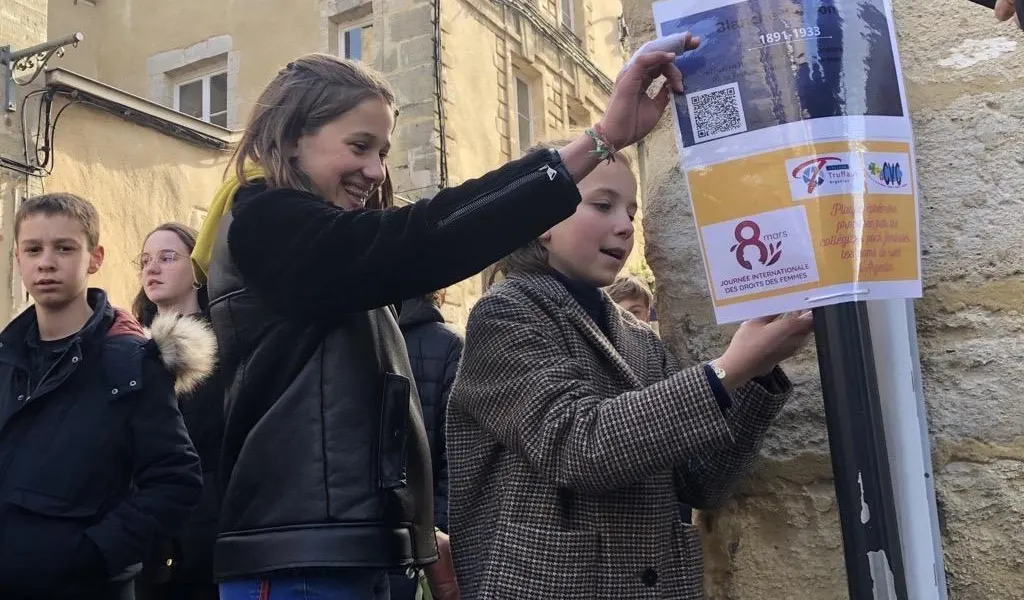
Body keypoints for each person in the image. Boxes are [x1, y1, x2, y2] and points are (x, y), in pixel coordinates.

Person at [192, 32, 697, 600]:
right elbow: (423, 238)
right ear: (289, 141)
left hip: (353, 553)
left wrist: (416, 532)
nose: (377, 171)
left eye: (382, 152)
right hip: (298, 561)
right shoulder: (267, 224)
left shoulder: (328, 258)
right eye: (359, 146)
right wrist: (599, 141)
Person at [445, 141, 815, 599]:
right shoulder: (505, 314)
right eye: (602, 205)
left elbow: (701, 481)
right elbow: (578, 446)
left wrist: (757, 370)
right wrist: (729, 369)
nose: (624, 226)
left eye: (632, 213)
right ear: (540, 222)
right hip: (553, 583)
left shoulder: (639, 337)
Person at [0, 193, 215, 600]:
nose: (46, 262)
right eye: (33, 249)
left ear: (94, 258)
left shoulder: (132, 363)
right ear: (17, 258)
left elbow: (176, 479)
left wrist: (96, 553)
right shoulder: (6, 361)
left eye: (64, 248)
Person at [132, 223, 224, 600]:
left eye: (168, 258)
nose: (152, 268)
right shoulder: (130, 348)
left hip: (208, 525)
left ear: (197, 271)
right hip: (143, 525)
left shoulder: (225, 342)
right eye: (145, 260)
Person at [389, 290, 464, 600]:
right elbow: (457, 460)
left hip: (364, 546)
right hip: (424, 545)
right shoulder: (449, 344)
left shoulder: (349, 340)